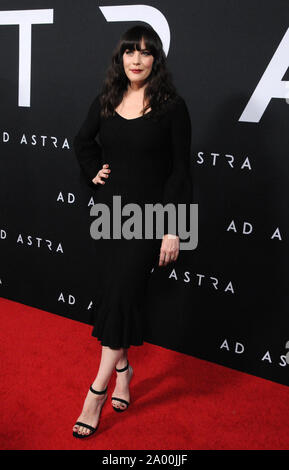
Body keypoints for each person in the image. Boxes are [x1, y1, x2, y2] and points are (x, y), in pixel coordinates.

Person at [72, 25, 192, 438]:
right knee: (113, 298)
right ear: (120, 58)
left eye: (144, 53)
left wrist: (174, 227)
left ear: (156, 60)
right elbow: (82, 142)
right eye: (129, 52)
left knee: (122, 296)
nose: (136, 60)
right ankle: (124, 371)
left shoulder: (172, 107)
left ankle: (96, 393)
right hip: (109, 216)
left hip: (149, 219)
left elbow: (180, 172)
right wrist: (94, 173)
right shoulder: (106, 100)